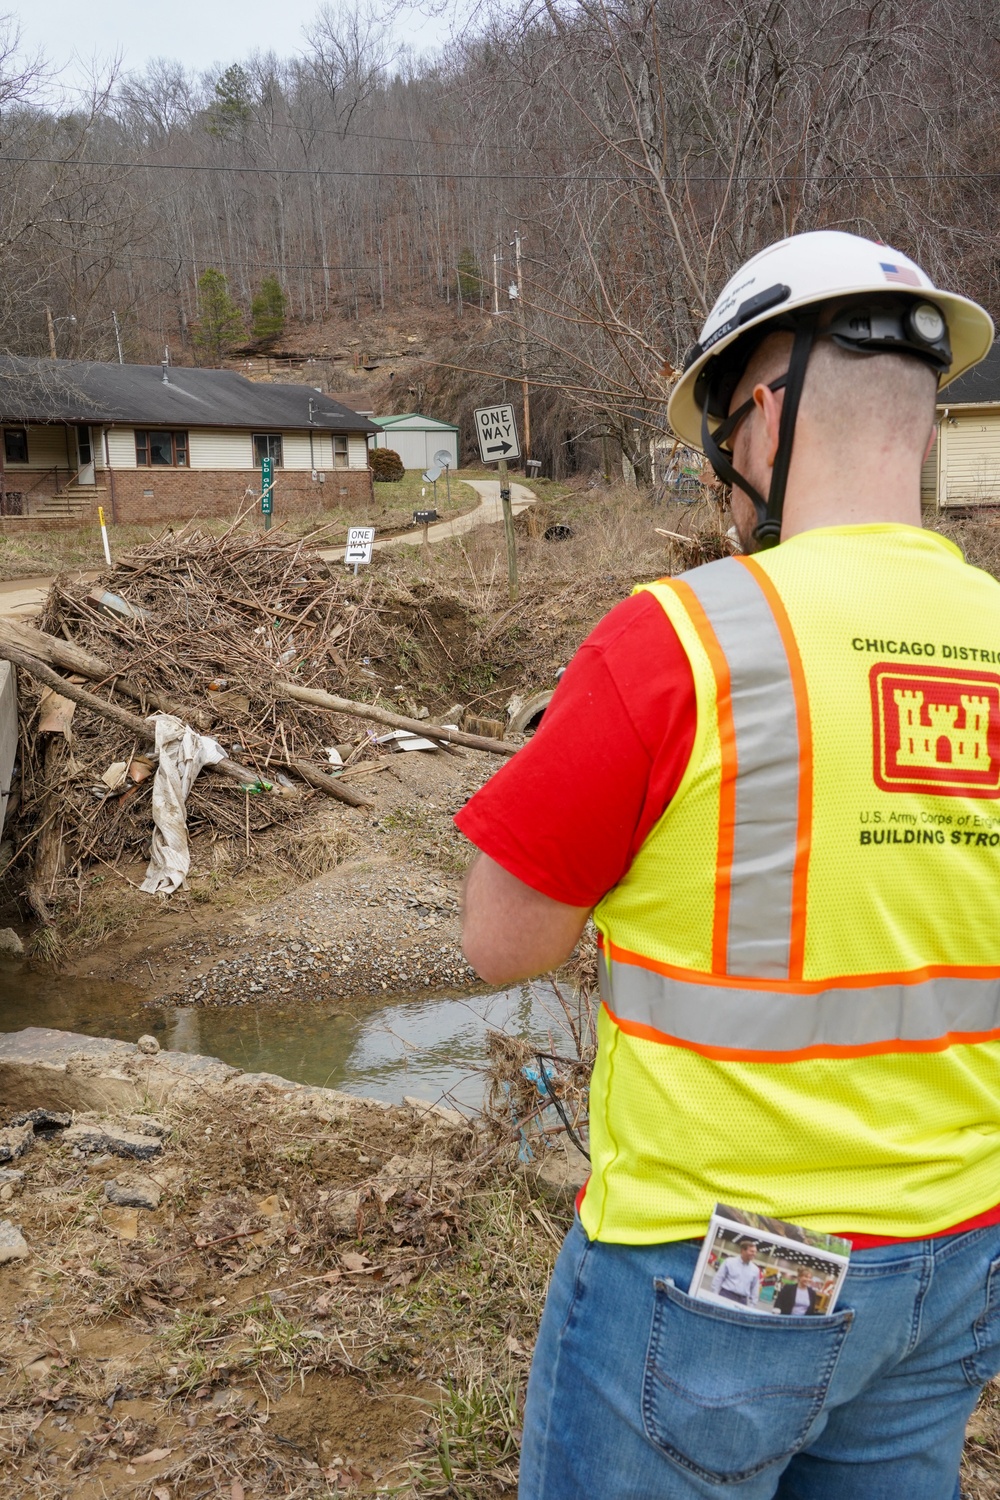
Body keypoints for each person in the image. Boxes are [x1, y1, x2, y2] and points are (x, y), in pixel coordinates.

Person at [457, 229, 1000, 1499]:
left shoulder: (677, 642)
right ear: (919, 421)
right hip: (952, 1260)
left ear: (757, 420)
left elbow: (503, 940)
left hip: (717, 1278)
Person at [712, 1238, 761, 1306]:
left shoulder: (755, 1270)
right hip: (726, 1295)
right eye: (752, 1251)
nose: (754, 1254)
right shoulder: (729, 1262)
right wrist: (714, 1295)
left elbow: (755, 1288)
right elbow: (719, 1278)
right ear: (743, 1251)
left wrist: (752, 1304)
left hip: (742, 1301)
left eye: (755, 1252)